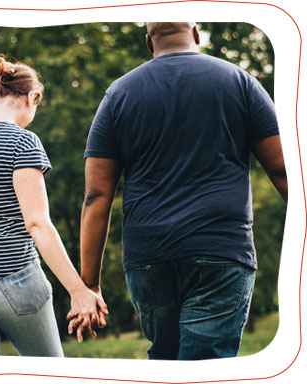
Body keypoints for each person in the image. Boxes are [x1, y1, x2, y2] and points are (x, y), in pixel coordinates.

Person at [76, 22, 287, 360]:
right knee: (205, 367)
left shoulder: (118, 94)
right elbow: (285, 170)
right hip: (219, 251)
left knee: (164, 361)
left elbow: (96, 196)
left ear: (149, 42)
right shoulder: (238, 81)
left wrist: (88, 284)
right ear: (196, 34)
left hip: (148, 259)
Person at [0, 55, 108, 357]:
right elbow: (37, 224)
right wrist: (79, 290)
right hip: (13, 281)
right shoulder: (22, 141)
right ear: (33, 97)